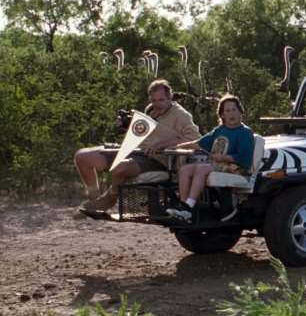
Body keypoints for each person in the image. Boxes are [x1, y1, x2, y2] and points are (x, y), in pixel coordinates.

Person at [74, 79, 201, 214]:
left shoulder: (181, 115)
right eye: (154, 100)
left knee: (120, 167)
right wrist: (125, 125)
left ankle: (109, 199)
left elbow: (195, 139)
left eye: (161, 100)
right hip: (136, 151)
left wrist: (163, 144)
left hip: (157, 159)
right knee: (82, 156)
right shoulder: (150, 111)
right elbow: (143, 132)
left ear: (170, 97)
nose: (157, 104)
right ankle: (94, 198)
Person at [167, 95, 255, 222]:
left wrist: (222, 157)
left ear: (240, 112)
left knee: (202, 168)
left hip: (238, 168)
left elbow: (245, 159)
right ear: (222, 115)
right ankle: (183, 206)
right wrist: (176, 146)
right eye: (227, 110)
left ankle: (189, 207)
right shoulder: (220, 130)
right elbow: (199, 143)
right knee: (185, 170)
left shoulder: (245, 132)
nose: (231, 114)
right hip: (217, 165)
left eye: (234, 110)